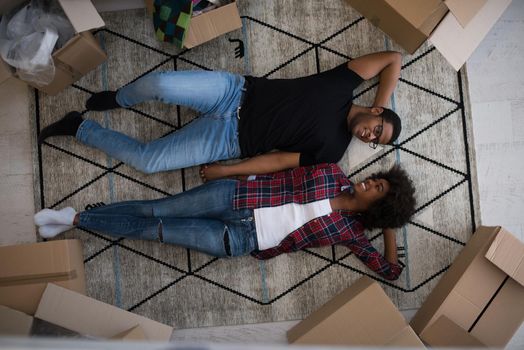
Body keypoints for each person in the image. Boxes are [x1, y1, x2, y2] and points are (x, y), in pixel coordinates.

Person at [38, 51, 402, 179]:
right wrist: (382, 103)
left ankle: (79, 128)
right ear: (376, 112)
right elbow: (392, 59)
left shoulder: (334, 151)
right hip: (234, 92)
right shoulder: (343, 85)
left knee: (149, 162)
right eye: (378, 129)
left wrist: (228, 169)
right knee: (162, 84)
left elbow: (277, 161)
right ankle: (120, 98)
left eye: (375, 142)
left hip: (228, 141)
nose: (370, 136)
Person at [34, 163, 416, 281]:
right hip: (235, 196)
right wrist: (237, 171)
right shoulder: (333, 172)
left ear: (377, 206)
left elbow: (391, 271)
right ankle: (78, 216)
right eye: (376, 179)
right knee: (156, 210)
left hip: (240, 239)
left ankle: (78, 220)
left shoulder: (351, 234)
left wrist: (387, 226)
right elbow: (283, 165)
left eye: (377, 189)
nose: (369, 182)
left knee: (156, 232)